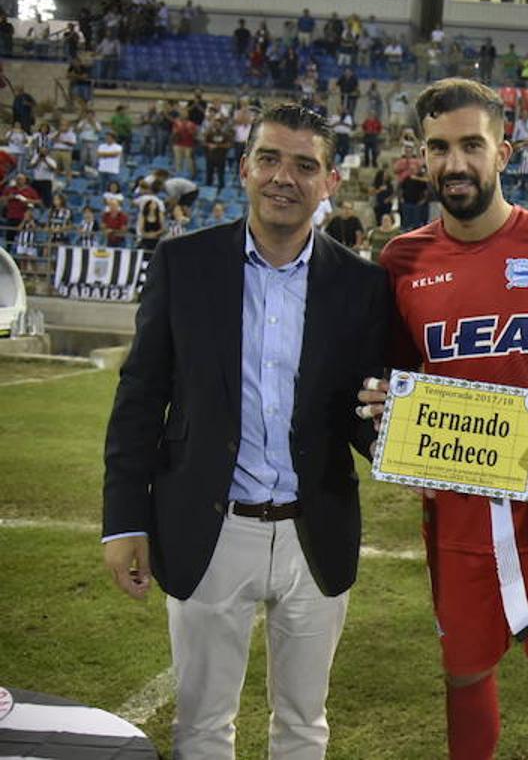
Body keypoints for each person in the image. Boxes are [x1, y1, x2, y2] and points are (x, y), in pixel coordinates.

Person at [101, 103, 391, 757]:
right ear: (243, 168)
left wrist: (404, 434)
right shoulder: (184, 263)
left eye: (304, 164)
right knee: (200, 725)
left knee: (303, 723)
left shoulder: (363, 284)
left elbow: (362, 414)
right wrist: (124, 521)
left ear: (329, 182)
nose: (284, 177)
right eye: (269, 158)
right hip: (208, 519)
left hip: (314, 524)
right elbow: (140, 399)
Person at [365, 78, 528, 760]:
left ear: (504, 151)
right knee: (464, 671)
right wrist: (387, 417)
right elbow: (396, 383)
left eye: (471, 145)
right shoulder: (400, 261)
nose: (455, 163)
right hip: (456, 511)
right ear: (420, 157)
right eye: (439, 148)